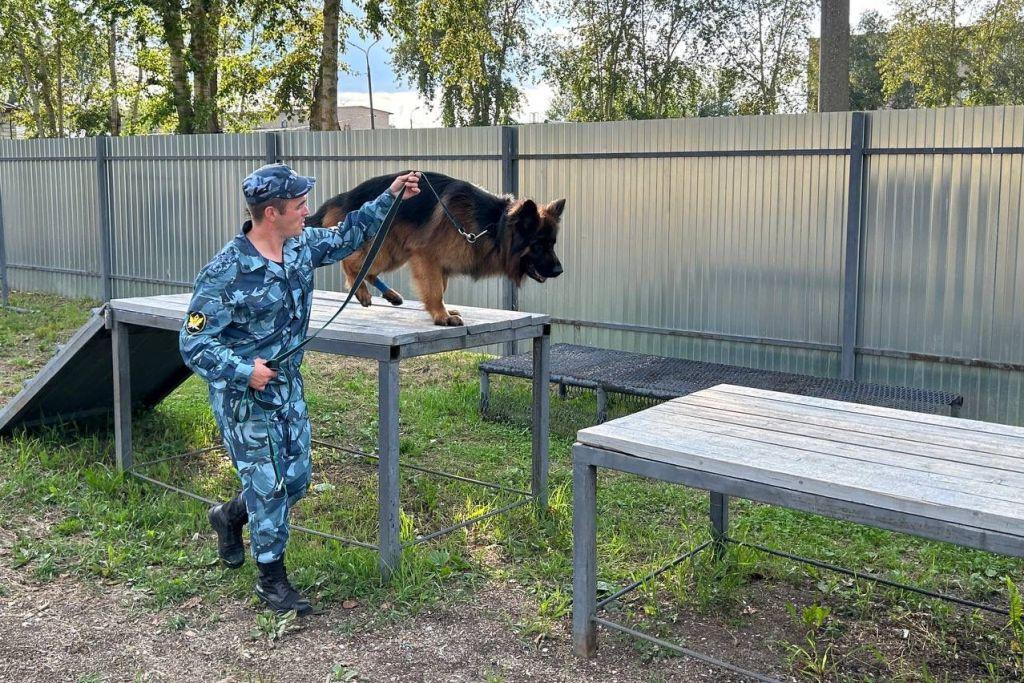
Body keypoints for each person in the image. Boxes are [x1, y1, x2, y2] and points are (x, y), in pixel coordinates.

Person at [179, 163, 420, 614]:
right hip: (245, 397)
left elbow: (350, 234)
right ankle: (272, 581)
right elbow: (193, 342)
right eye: (299, 205)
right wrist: (241, 370)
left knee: (297, 479)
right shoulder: (226, 271)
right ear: (271, 213)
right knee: (268, 487)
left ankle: (229, 516)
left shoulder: (300, 246)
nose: (308, 211)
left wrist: (391, 195)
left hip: (288, 387)